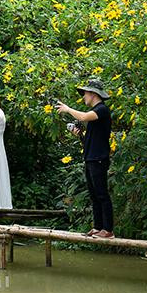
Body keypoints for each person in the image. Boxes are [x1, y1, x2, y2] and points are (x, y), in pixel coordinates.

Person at [56, 78, 114, 238]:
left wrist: (67, 109)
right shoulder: (95, 113)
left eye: (85, 94)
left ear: (93, 94)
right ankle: (98, 227)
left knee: (102, 194)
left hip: (99, 158)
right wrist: (80, 135)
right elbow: (93, 138)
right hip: (91, 157)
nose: (83, 97)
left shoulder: (102, 109)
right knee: (94, 195)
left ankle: (108, 230)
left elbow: (83, 117)